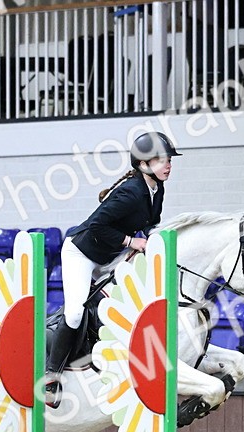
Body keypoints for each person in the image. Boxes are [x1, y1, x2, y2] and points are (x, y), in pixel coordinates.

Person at [43, 131, 181, 407]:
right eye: (161, 160)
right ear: (143, 164)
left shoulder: (156, 188)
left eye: (168, 159)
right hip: (82, 253)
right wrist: (132, 241)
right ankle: (50, 376)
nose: (168, 164)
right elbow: (97, 225)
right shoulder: (130, 193)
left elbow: (150, 225)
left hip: (111, 251)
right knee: (74, 312)